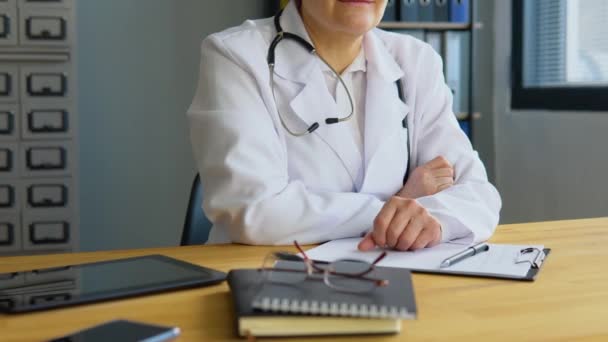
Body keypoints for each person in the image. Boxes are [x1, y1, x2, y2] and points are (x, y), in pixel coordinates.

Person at [187, 0, 501, 251]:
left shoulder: (416, 61)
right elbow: (254, 211)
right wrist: (399, 204)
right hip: (268, 275)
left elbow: (479, 197)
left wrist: (426, 216)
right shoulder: (236, 55)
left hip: (394, 278)